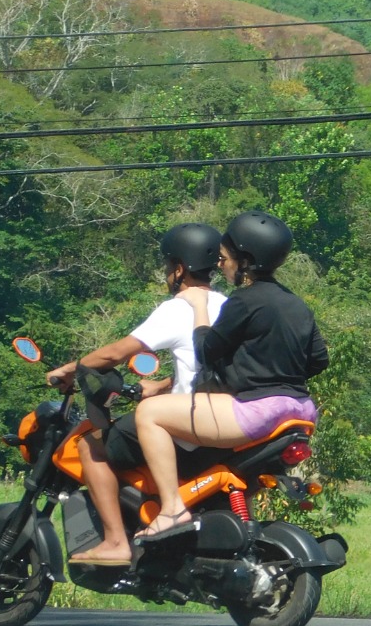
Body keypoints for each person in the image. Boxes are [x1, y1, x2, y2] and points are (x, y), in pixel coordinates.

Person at [131, 210, 328, 538]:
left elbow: (206, 352)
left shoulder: (245, 301)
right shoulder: (297, 305)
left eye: (224, 257)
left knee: (148, 413)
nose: (220, 265)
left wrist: (198, 308)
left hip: (256, 412)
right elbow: (318, 360)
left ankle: (170, 510)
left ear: (245, 260)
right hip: (301, 410)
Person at [44, 223, 227, 564]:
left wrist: (69, 370)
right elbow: (206, 366)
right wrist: (161, 386)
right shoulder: (225, 305)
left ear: (179, 268)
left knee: (89, 444)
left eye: (167, 265)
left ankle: (116, 542)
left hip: (189, 430)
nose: (166, 273)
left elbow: (116, 353)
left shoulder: (180, 307)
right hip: (221, 423)